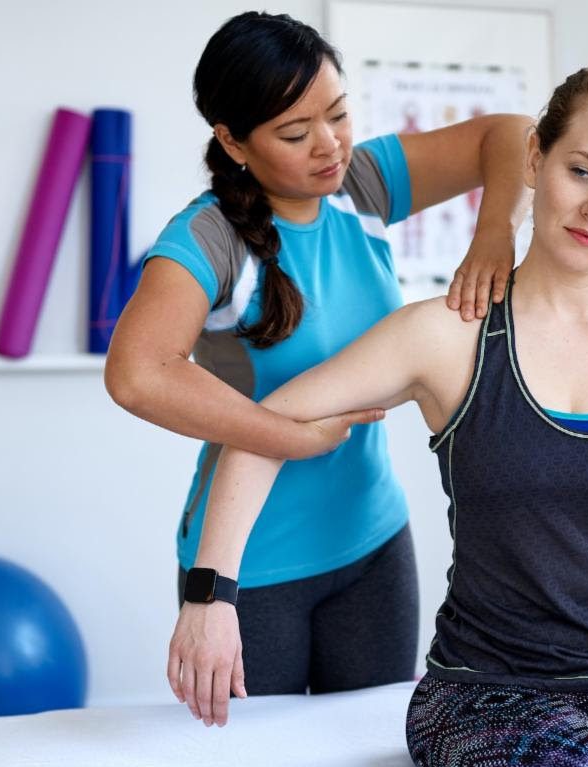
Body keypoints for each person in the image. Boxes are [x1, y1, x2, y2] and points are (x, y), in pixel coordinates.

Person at [176, 60, 588, 767]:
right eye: (581, 171)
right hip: (489, 690)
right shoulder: (448, 335)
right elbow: (267, 422)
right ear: (536, 157)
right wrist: (209, 595)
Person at [104, 10, 532, 713]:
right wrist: (290, 437)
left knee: (369, 755)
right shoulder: (208, 237)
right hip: (253, 562)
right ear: (233, 140)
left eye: (337, 114)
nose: (329, 146)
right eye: (296, 133)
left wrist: (494, 233)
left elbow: (513, 134)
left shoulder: (362, 184)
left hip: (372, 542)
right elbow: (136, 373)